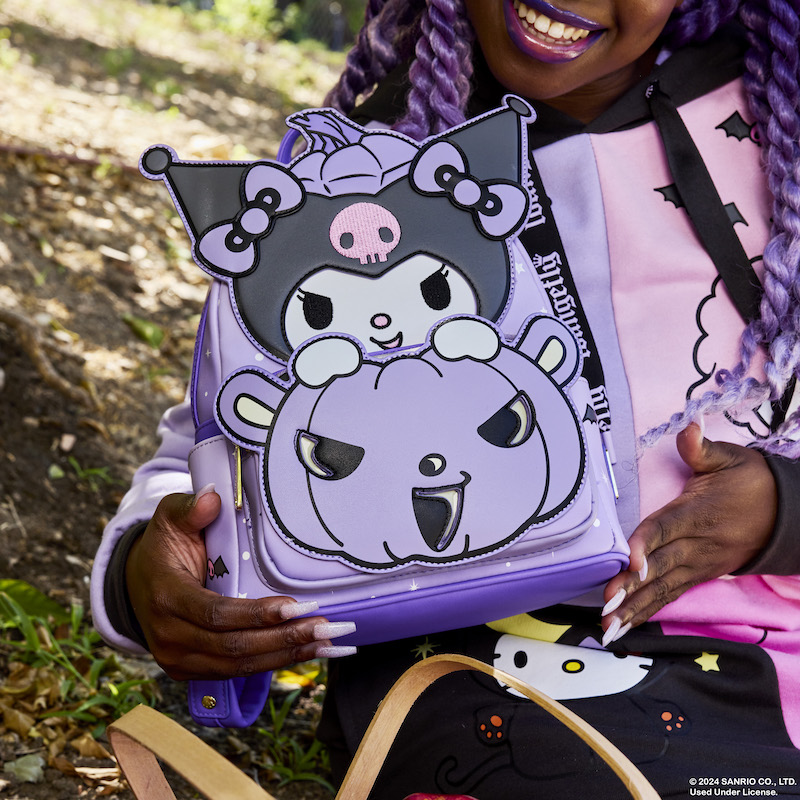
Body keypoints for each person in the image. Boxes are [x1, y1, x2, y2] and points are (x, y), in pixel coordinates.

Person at [91, 0, 800, 796]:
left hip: (774, 653)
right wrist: (141, 579)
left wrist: (781, 510)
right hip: (480, 665)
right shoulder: (348, 175)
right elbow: (218, 437)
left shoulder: (777, 124)